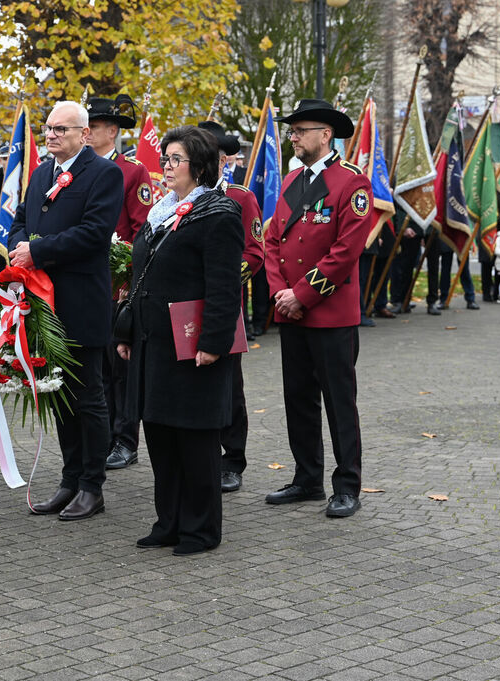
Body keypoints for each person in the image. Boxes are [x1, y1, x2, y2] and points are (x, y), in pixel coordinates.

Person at [115, 125, 244, 555]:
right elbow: (142, 277)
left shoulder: (219, 214)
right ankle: (168, 522)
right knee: (161, 436)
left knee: (195, 439)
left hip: (192, 347)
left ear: (200, 167)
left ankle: (200, 529)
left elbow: (224, 288)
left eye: (175, 159)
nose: (166, 167)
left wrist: (213, 342)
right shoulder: (162, 212)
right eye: (165, 159)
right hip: (153, 343)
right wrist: (128, 332)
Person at [8, 100, 123, 521]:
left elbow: (94, 233)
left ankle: (93, 486)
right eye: (49, 128)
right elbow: (21, 221)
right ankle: (70, 480)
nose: (51, 135)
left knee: (87, 397)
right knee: (59, 396)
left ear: (84, 134)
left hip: (81, 302)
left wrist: (37, 252)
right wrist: (21, 247)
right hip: (43, 305)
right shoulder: (42, 173)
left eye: (61, 129)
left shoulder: (104, 173)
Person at [264, 99, 369, 518]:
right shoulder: (292, 179)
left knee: (339, 402)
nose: (292, 137)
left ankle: (347, 486)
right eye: (291, 131)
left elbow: (346, 252)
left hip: (329, 314)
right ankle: (307, 478)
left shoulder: (351, 183)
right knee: (298, 399)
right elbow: (273, 242)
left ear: (325, 135)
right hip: (291, 311)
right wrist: (280, 294)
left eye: (299, 131)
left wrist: (301, 295)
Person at [84, 94, 153, 472]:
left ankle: (125, 440)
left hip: (117, 285)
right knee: (95, 369)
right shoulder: (78, 169)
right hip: (86, 284)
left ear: (112, 131)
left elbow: (142, 230)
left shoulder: (132, 171)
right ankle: (102, 435)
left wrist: (130, 279)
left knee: (120, 369)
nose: (88, 133)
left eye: (94, 127)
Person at [198, 120, 264, 494]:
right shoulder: (178, 198)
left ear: (223, 160)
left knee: (229, 386)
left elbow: (254, 253)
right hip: (184, 309)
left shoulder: (240, 198)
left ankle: (232, 458)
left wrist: (218, 280)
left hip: (224, 308)